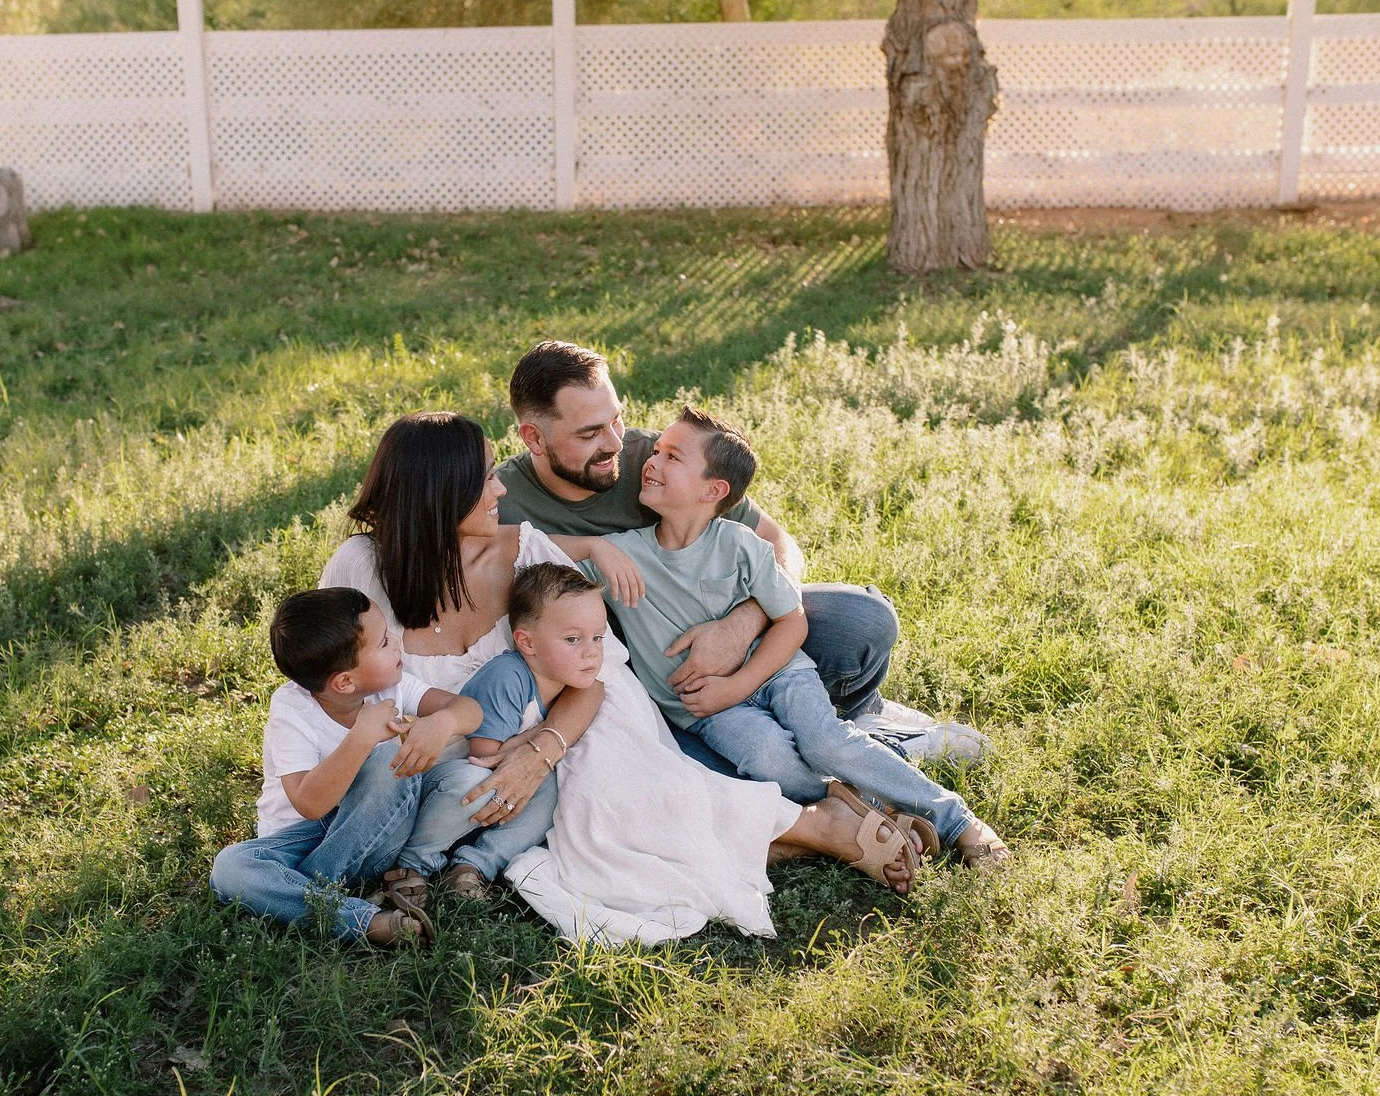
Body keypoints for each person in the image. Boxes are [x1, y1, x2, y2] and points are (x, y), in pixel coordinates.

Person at [321, 412, 932, 945]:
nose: (500, 486)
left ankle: (824, 824)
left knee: (622, 805)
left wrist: (541, 751)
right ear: (438, 494)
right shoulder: (361, 570)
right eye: (483, 478)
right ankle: (827, 818)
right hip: (452, 756)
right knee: (591, 849)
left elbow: (596, 676)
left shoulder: (527, 552)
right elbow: (327, 691)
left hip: (571, 719)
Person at [498, 340, 990, 775]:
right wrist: (591, 547)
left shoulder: (657, 458)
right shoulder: (501, 503)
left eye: (617, 418)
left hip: (734, 638)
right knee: (698, 769)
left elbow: (779, 544)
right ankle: (878, 749)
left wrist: (741, 624)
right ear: (534, 438)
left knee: (862, 620)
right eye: (589, 433)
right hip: (651, 689)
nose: (614, 442)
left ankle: (857, 718)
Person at [576, 407, 1012, 869]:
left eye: (672, 456)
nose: (652, 461)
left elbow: (792, 621)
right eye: (657, 450)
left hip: (778, 672)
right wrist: (592, 546)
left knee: (825, 743)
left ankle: (957, 820)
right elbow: (532, 546)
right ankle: (878, 809)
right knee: (770, 760)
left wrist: (738, 684)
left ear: (714, 490)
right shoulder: (623, 554)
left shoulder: (742, 545)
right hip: (705, 711)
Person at [207, 587, 484, 948]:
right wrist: (361, 738)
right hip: (304, 835)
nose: (397, 642)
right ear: (345, 682)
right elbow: (308, 803)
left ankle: (303, 890)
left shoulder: (394, 686)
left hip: (377, 831)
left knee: (471, 778)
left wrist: (444, 722)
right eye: (384, 642)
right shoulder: (292, 710)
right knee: (230, 867)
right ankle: (367, 922)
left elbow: (470, 711)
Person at [391, 562, 606, 902]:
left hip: (485, 801)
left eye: (597, 638)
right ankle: (412, 863)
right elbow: (486, 758)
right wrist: (532, 740)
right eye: (572, 639)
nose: (591, 651)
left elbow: (596, 692)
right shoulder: (508, 676)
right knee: (475, 783)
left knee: (552, 787)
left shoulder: (564, 682)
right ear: (527, 642)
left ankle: (473, 865)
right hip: (441, 789)